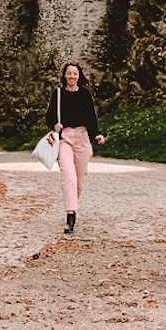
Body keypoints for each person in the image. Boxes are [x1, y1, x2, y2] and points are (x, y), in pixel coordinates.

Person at [45, 61, 105, 235]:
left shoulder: (85, 95)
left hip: (83, 139)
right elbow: (49, 116)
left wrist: (97, 134)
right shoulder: (58, 94)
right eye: (69, 73)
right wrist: (55, 125)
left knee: (78, 180)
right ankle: (70, 215)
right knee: (68, 175)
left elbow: (91, 117)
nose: (72, 77)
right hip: (65, 139)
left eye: (75, 74)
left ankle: (73, 204)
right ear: (64, 75)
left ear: (79, 76)